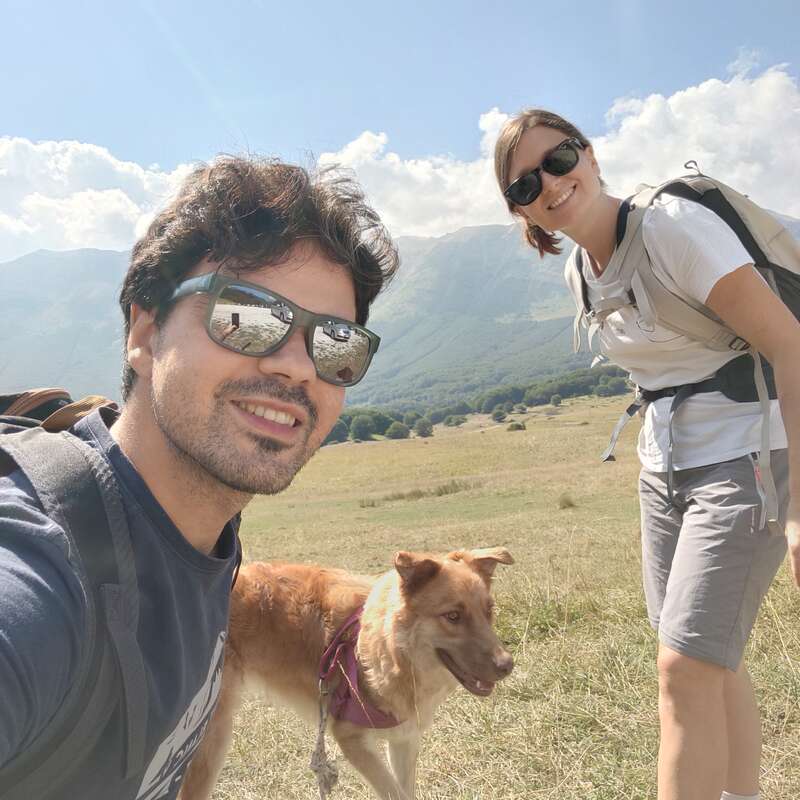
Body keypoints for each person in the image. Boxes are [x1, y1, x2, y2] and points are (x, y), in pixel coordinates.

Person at [0, 156, 398, 798]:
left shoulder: (201, 529)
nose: (299, 367)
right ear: (145, 329)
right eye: (245, 316)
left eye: (335, 344)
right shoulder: (43, 569)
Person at [494, 109, 800, 800]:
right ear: (523, 212)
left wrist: (799, 510)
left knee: (683, 668)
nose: (548, 182)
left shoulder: (671, 230)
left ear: (591, 156)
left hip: (749, 457)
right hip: (664, 471)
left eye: (559, 158)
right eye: (523, 185)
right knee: (707, 662)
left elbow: (790, 345)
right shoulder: (581, 270)